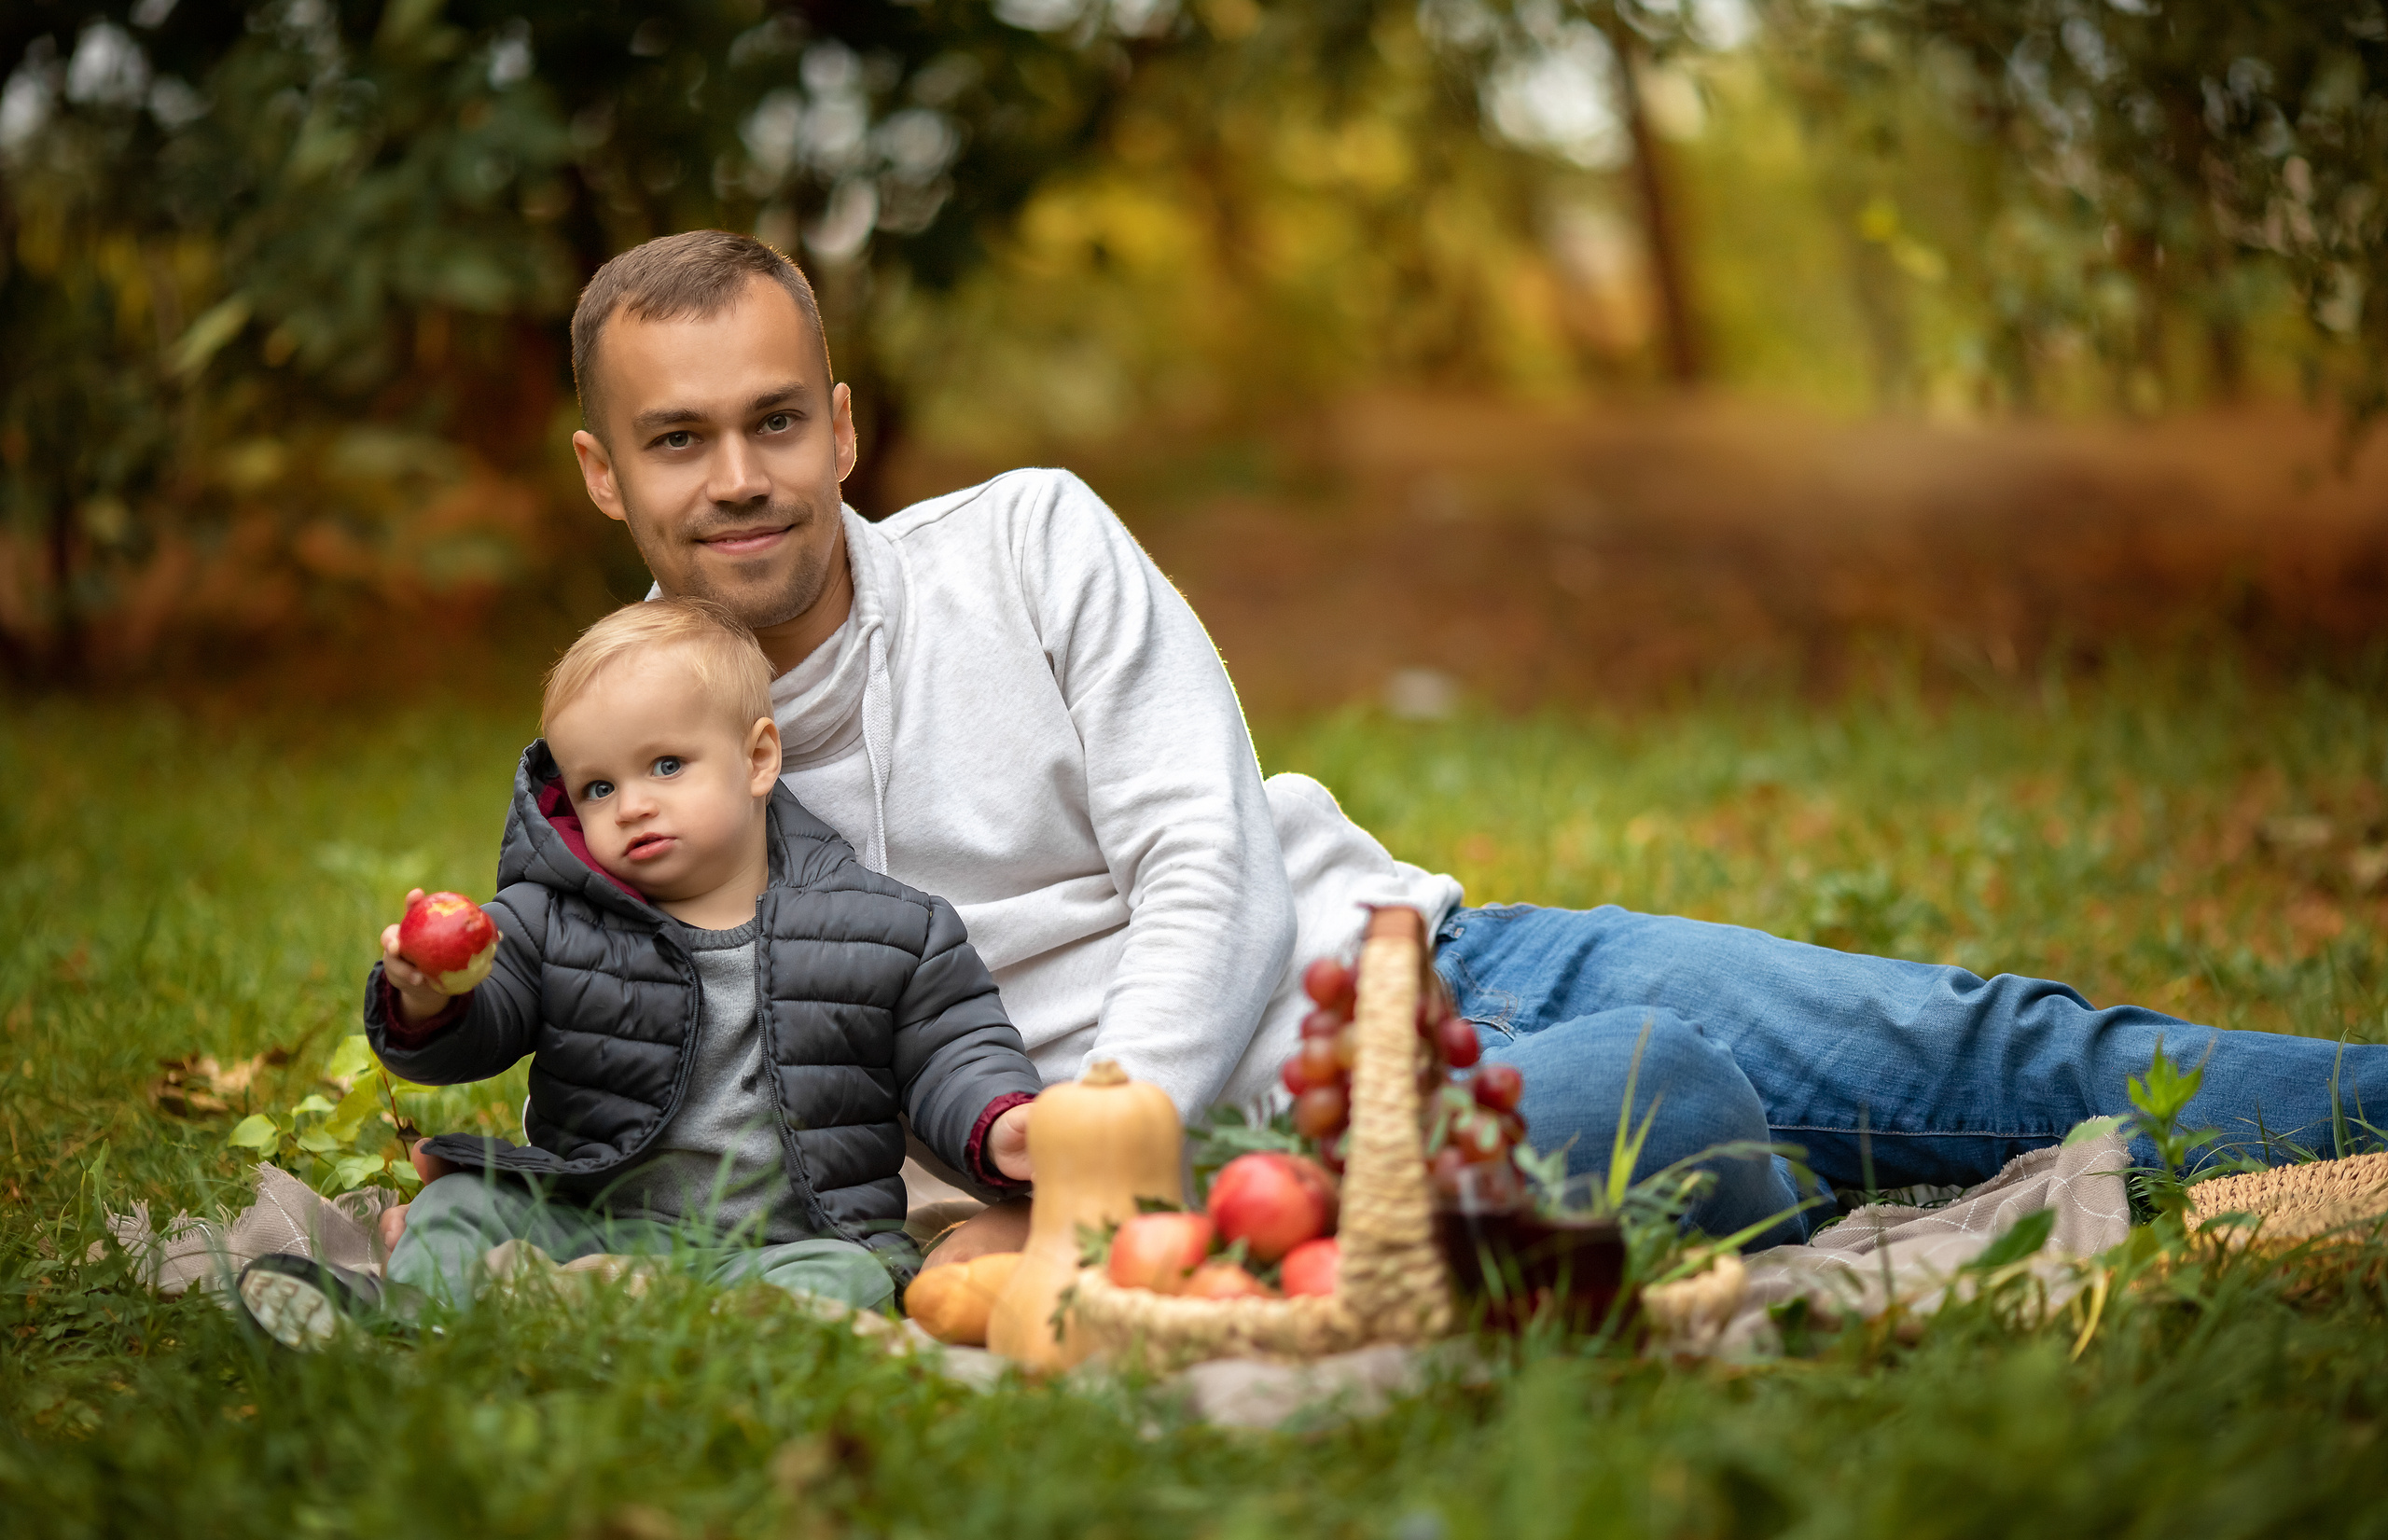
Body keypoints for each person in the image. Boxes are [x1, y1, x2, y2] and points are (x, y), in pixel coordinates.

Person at [551, 229, 2388, 1257]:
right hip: (1284, 1172)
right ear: (601, 472)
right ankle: (1716, 1163)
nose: (739, 478)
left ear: (845, 425)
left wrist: (1114, 1109)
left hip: (1429, 972)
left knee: (1977, 1040)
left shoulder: (1027, 540)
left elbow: (1207, 852)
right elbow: (699, 1109)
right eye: (681, 438)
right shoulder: (620, 787)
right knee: (1629, 1106)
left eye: (774, 419)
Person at [233, 598, 1043, 1350]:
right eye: (597, 785)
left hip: (787, 1242)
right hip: (599, 1217)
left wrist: (999, 1120)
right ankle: (405, 1327)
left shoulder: (887, 927)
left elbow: (953, 1048)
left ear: (758, 758)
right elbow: (482, 1023)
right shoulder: (552, 920)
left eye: (665, 765)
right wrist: (431, 996)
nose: (631, 805)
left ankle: (700, 1341)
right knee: (459, 1201)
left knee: (855, 1277)